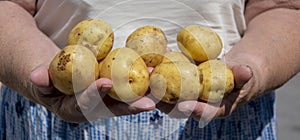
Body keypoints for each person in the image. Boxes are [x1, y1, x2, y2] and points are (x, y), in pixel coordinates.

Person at [0, 0, 299, 139]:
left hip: (224, 113)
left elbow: (282, 7)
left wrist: (256, 67)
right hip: (57, 109)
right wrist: (33, 67)